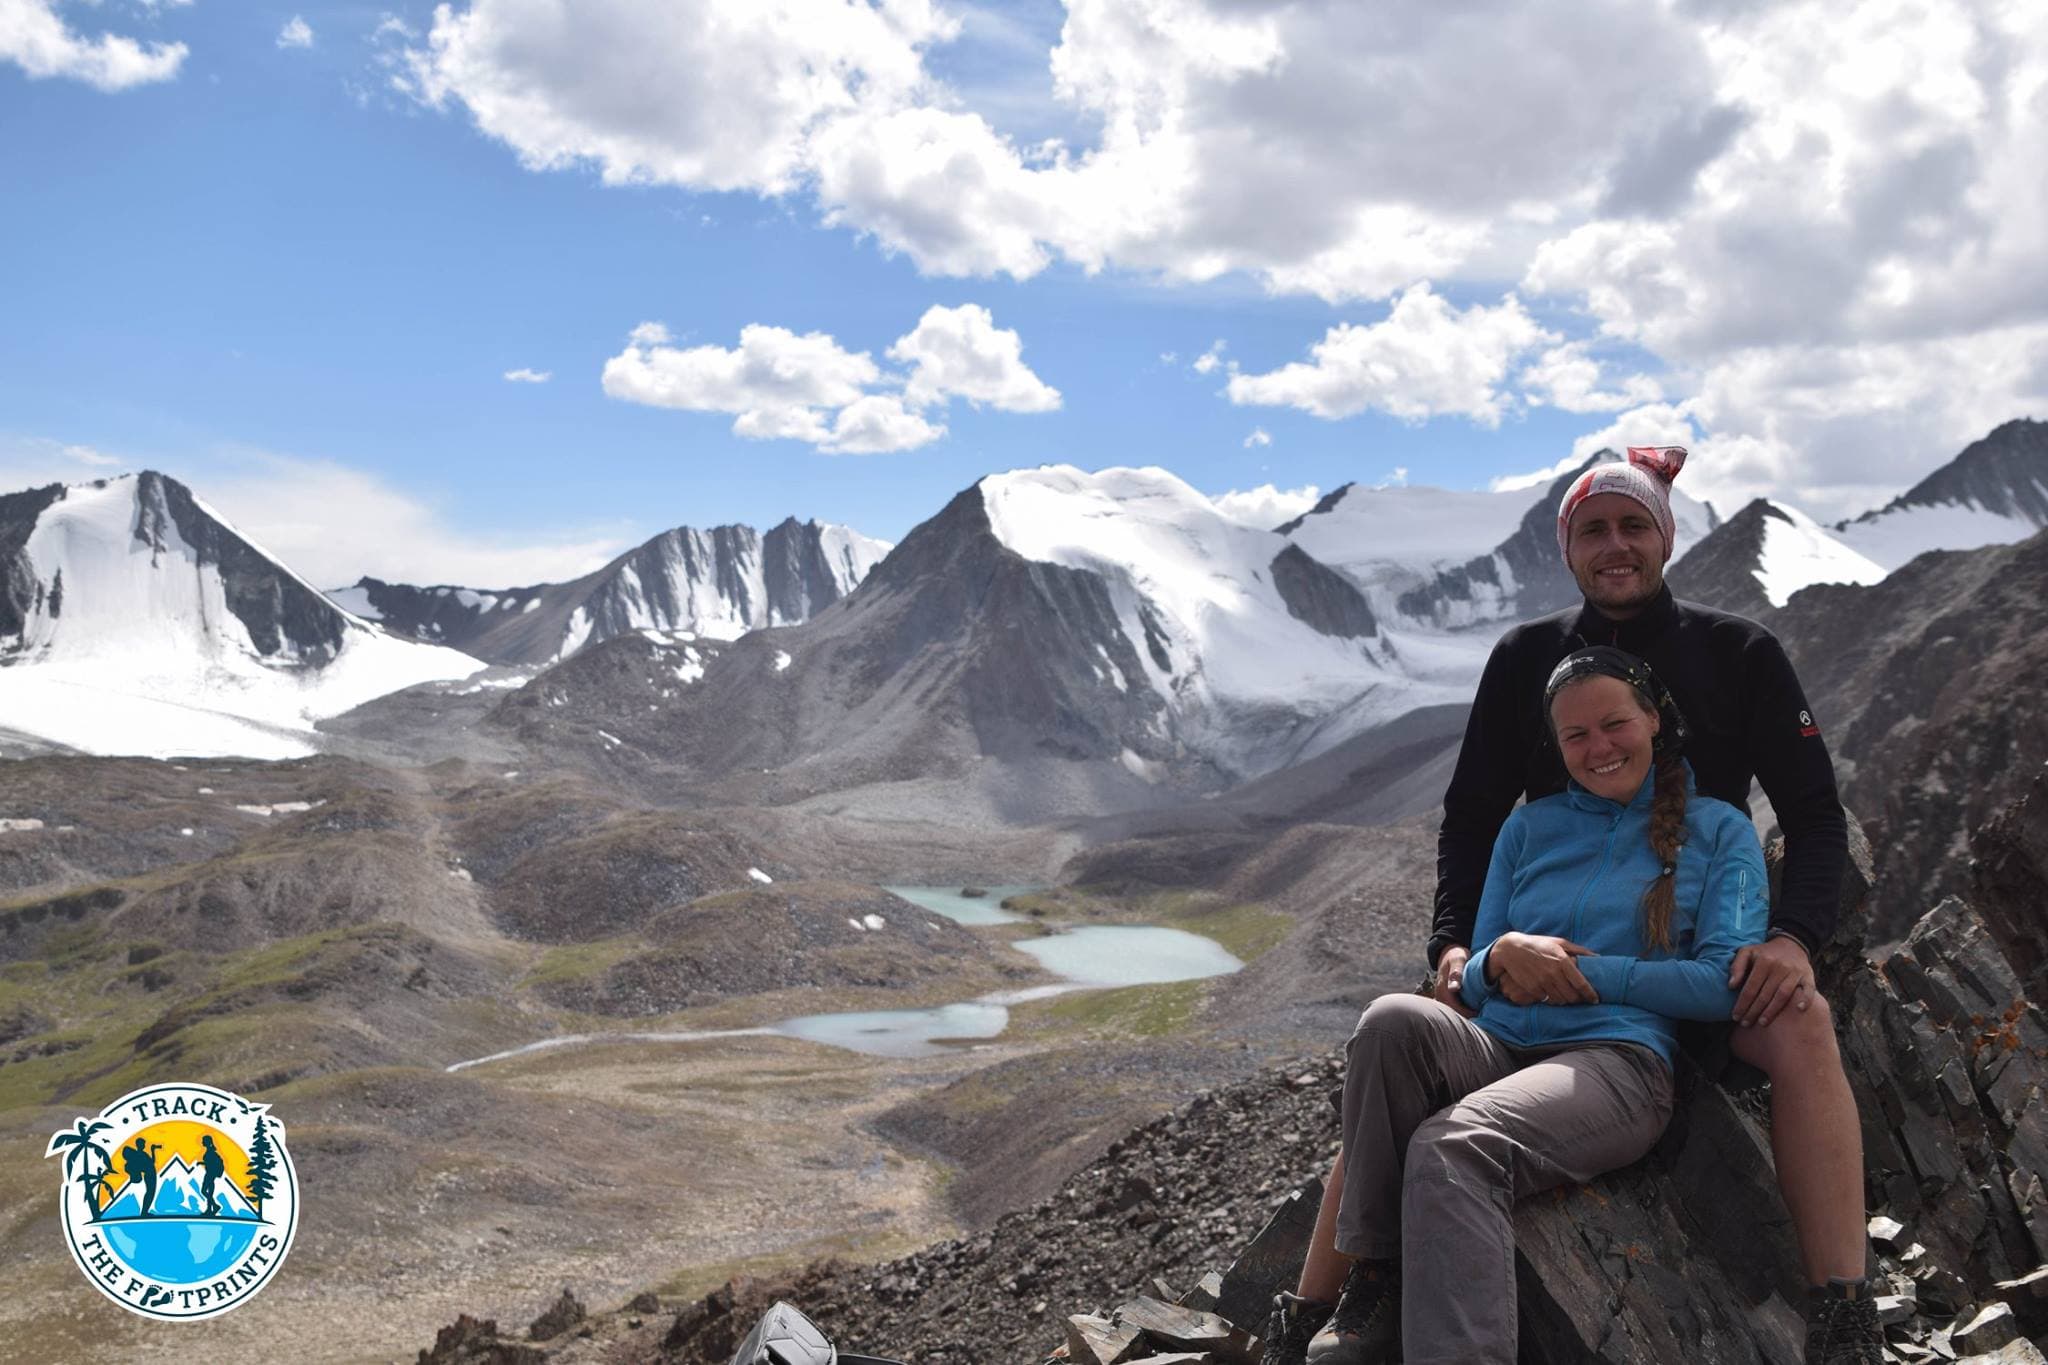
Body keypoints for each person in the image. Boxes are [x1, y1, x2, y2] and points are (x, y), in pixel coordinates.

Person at [1268, 447, 1878, 1365]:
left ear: (1665, 536)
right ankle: (1337, 1300)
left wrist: (1793, 938)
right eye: (1593, 529)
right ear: (1568, 549)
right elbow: (1472, 818)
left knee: (1799, 1015)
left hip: (1677, 960)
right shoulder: (1523, 661)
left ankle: (1843, 1300)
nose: (1616, 545)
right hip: (1539, 977)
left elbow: (1814, 815)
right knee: (1395, 1039)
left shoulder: (1738, 654)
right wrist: (1455, 949)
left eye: (1635, 525)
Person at [1276, 647, 1764, 1364]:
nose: (1598, 746)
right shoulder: (1526, 830)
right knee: (1388, 1021)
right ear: (1557, 746)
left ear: (1654, 720)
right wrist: (1498, 957)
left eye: (1614, 724)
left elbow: (1722, 983)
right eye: (1576, 735)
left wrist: (1587, 976)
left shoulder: (1721, 830)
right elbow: (1468, 981)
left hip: (1617, 1063)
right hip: (1498, 1047)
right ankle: (1376, 1280)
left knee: (1454, 1144)